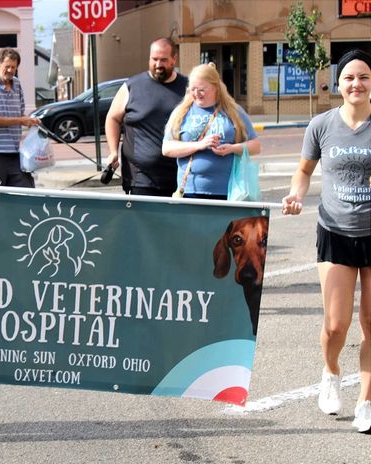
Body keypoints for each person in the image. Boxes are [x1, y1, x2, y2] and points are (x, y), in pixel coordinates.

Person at [281, 49, 371, 433]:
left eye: (364, 76)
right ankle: (331, 372)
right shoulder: (321, 125)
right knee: (336, 325)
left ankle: (366, 400)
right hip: (334, 230)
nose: (357, 83)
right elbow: (303, 172)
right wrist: (297, 195)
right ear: (338, 83)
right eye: (349, 77)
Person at [162, 63, 260, 199]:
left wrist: (232, 148)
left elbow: (255, 146)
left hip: (229, 191)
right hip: (191, 191)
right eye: (192, 89)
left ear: (215, 88)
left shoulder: (234, 111)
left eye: (201, 89)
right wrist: (199, 145)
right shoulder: (182, 112)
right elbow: (167, 148)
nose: (196, 94)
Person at [104, 37, 188, 196]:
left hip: (180, 176)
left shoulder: (189, 88)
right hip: (140, 179)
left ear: (174, 59)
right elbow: (112, 118)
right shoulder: (132, 86)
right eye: (154, 59)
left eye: (163, 60)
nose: (158, 65)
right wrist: (113, 151)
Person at [0, 47, 40, 188]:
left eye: (14, 67)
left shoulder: (17, 84)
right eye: (7, 66)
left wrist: (30, 121)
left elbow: (19, 115)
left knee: (27, 192)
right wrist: (21, 120)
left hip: (16, 151)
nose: (10, 70)